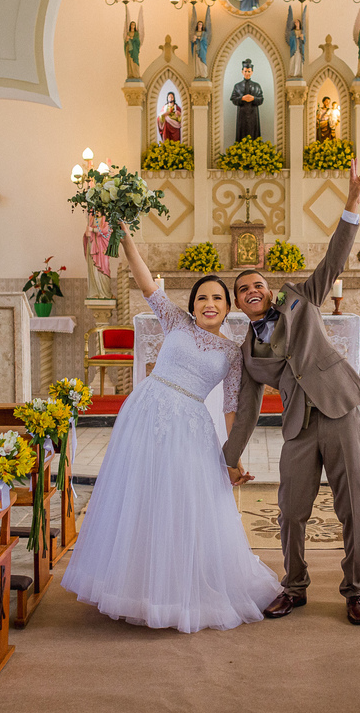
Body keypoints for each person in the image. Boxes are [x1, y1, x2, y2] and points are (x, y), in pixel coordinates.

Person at [62, 226, 281, 633]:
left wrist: (232, 460)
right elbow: (145, 281)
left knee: (181, 500)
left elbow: (232, 410)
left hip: (191, 426)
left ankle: (177, 589)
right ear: (192, 305)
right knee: (141, 496)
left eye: (217, 297)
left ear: (229, 306)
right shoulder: (175, 321)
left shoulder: (233, 354)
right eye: (202, 298)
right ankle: (133, 585)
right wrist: (126, 237)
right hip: (146, 414)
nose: (209, 303)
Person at [225, 159, 360, 625]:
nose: (253, 290)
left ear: (270, 292)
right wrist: (229, 457)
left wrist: (351, 203)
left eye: (258, 284)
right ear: (237, 302)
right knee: (290, 510)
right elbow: (246, 411)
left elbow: (334, 258)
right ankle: (294, 586)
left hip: (340, 409)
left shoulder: (300, 298)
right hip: (298, 427)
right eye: (243, 288)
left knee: (354, 505)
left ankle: (354, 589)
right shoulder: (246, 354)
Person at [230, 59, 264, 143]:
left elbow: (261, 99)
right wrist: (242, 98)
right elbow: (233, 99)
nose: (247, 73)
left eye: (249, 71)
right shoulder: (237, 86)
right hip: (242, 114)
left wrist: (253, 98)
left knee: (254, 133)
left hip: (253, 114)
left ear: (252, 72)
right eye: (245, 71)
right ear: (242, 71)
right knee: (242, 133)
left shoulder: (257, 86)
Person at [84, 212, 113, 299]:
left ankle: (105, 293)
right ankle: (94, 292)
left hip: (101, 248)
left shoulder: (106, 218)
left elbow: (106, 230)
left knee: (103, 268)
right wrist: (88, 233)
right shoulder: (92, 218)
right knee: (93, 269)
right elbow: (87, 233)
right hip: (92, 245)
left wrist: (92, 230)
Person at [124, 6, 144, 80]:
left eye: (134, 25)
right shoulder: (128, 33)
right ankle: (131, 74)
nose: (133, 26)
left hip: (134, 50)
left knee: (135, 61)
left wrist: (132, 38)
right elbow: (126, 42)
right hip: (129, 49)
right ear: (130, 26)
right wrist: (127, 40)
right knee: (130, 62)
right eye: (132, 25)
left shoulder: (136, 33)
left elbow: (138, 41)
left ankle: (136, 74)